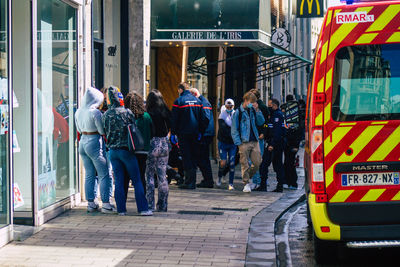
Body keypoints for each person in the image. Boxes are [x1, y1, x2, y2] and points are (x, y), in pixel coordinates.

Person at [102, 86, 152, 216]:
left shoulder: (106, 114)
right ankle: (143, 208)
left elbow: (103, 131)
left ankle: (121, 209)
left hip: (113, 151)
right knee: (136, 180)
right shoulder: (127, 112)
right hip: (126, 151)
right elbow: (133, 128)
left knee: (118, 181)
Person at [75, 87, 115, 213]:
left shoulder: (78, 112)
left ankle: (91, 203)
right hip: (94, 141)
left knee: (89, 174)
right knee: (104, 174)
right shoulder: (95, 113)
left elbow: (79, 130)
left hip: (83, 141)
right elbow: (102, 130)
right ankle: (106, 204)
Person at [171, 82, 209, 190]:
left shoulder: (179, 101)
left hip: (183, 134)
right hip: (195, 134)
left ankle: (189, 182)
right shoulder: (197, 101)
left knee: (186, 157)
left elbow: (174, 119)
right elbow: (203, 118)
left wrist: (173, 133)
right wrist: (201, 131)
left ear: (180, 90)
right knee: (193, 157)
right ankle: (192, 180)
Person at [231, 92, 265, 193]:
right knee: (244, 164)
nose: (252, 104)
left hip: (254, 140)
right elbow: (234, 129)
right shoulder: (238, 112)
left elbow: (261, 122)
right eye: (251, 102)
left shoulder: (253, 111)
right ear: (245, 100)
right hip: (244, 141)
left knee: (257, 162)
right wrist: (238, 143)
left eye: (254, 102)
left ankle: (247, 176)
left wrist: (257, 110)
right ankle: (246, 183)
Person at [145, 89, 171, 211]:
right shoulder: (165, 111)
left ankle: (150, 204)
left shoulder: (148, 113)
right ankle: (163, 205)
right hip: (164, 144)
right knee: (162, 175)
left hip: (152, 144)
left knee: (149, 175)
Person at [125, 92, 153, 195]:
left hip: (130, 150)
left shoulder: (126, 116)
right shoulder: (146, 116)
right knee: (141, 176)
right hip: (144, 150)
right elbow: (152, 132)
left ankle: (123, 203)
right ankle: (142, 200)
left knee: (126, 178)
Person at [189, 88, 215, 188]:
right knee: (202, 158)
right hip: (206, 134)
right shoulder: (202, 101)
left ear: (194, 94)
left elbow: (205, 118)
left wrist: (200, 131)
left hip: (205, 134)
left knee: (202, 158)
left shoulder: (203, 102)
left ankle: (208, 180)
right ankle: (207, 180)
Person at [259, 98, 286, 192]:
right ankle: (277, 186)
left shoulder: (277, 116)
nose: (268, 107)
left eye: (270, 105)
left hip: (275, 144)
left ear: (274, 105)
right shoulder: (274, 115)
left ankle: (267, 186)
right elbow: (269, 128)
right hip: (274, 143)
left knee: (268, 165)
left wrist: (272, 144)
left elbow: (277, 132)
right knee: (275, 165)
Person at [249, 89, 269, 190]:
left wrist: (263, 133)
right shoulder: (247, 107)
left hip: (257, 136)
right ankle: (254, 180)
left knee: (255, 160)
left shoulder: (261, 107)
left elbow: (264, 122)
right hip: (248, 137)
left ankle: (257, 181)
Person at [282, 95, 302, 190]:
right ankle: (290, 182)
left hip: (289, 142)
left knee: (288, 163)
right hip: (292, 142)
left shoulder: (287, 112)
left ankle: (292, 182)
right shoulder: (297, 112)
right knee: (289, 163)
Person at [217, 99, 236, 190]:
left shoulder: (235, 114)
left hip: (232, 143)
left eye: (231, 107)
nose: (229, 108)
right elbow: (223, 129)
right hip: (223, 142)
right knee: (223, 162)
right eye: (228, 107)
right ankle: (220, 176)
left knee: (232, 163)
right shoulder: (222, 115)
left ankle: (231, 183)